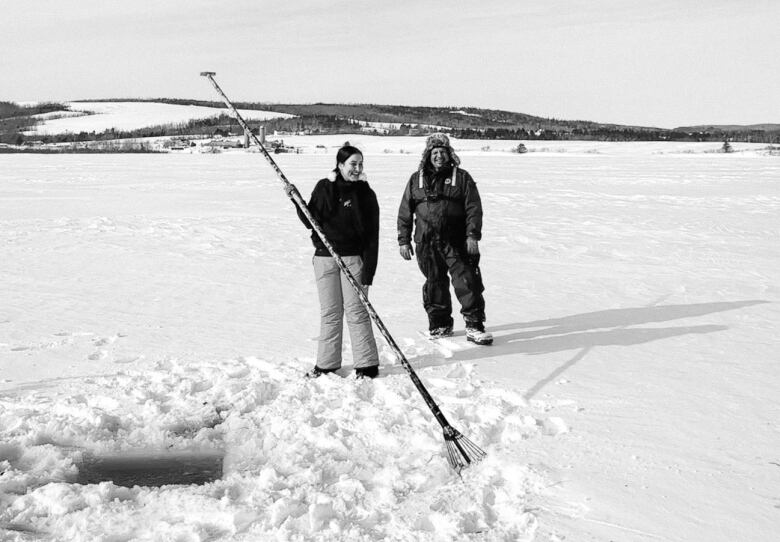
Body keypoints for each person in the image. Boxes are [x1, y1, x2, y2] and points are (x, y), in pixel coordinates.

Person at [291, 145, 381, 378]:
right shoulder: (324, 187)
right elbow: (311, 220)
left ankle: (367, 364)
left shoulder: (365, 194)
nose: (358, 168)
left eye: (361, 163)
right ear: (340, 165)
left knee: (356, 311)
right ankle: (327, 364)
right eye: (353, 164)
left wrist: (368, 270)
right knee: (330, 313)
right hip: (324, 257)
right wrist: (296, 200)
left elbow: (373, 235)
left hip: (353, 259)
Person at [397, 133, 493, 345]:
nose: (439, 156)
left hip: (456, 241)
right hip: (426, 242)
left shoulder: (462, 177)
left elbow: (473, 209)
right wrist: (403, 240)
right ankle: (440, 324)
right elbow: (405, 211)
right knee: (434, 283)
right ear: (428, 155)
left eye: (442, 152)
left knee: (467, 281)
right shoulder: (416, 179)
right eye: (435, 152)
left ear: (450, 154)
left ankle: (474, 325)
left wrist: (472, 235)